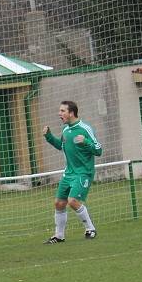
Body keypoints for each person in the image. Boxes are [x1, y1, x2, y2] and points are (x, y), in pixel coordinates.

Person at [43, 101, 102, 243]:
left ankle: (90, 229)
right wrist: (49, 136)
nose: (59, 114)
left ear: (71, 113)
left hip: (83, 173)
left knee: (73, 201)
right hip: (69, 173)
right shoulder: (66, 130)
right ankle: (59, 236)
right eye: (60, 111)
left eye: (62, 111)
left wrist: (85, 141)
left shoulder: (85, 128)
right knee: (59, 203)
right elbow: (61, 146)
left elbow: (98, 150)